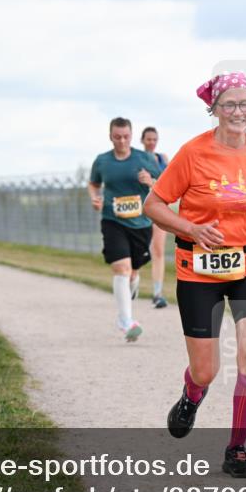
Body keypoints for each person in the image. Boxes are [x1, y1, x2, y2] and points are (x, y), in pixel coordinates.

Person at [143, 72, 246, 478]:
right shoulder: (193, 153)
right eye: (229, 104)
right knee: (206, 370)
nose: (239, 111)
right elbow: (153, 205)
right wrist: (190, 229)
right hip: (199, 268)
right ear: (214, 109)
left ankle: (236, 449)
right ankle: (192, 394)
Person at [88, 117, 164, 342]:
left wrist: (150, 181)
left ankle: (131, 289)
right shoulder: (102, 161)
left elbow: (165, 184)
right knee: (121, 268)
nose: (121, 141)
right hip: (112, 220)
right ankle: (126, 322)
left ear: (132, 136)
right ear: (110, 137)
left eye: (125, 137)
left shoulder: (144, 158)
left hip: (141, 224)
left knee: (132, 272)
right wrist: (95, 198)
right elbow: (93, 184)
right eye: (117, 137)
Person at [142, 127, 171, 309]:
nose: (152, 142)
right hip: (140, 209)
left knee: (158, 250)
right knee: (138, 250)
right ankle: (131, 281)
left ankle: (157, 293)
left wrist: (153, 183)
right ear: (142, 140)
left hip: (159, 209)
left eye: (154, 139)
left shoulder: (163, 159)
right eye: (148, 139)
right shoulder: (137, 158)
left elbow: (170, 181)